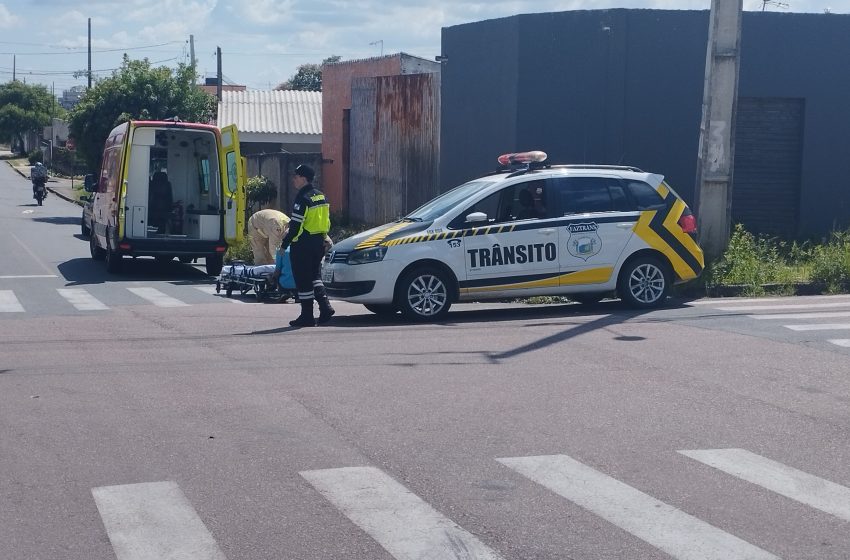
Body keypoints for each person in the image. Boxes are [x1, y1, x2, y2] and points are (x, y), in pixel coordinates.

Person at [278, 164, 334, 327]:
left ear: (303, 178)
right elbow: (327, 221)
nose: (293, 179)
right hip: (318, 243)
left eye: (296, 176)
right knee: (315, 276)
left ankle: (307, 316)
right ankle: (325, 308)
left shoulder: (302, 198)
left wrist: (284, 245)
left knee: (303, 280)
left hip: (302, 244)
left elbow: (295, 227)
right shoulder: (321, 196)